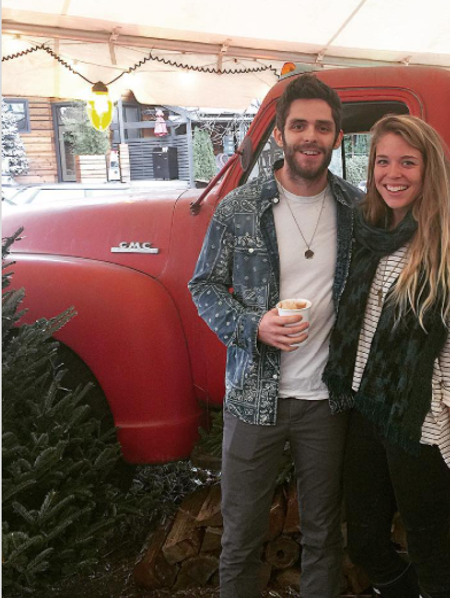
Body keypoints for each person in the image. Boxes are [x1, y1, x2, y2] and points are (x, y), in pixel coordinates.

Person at [189, 73, 361, 598]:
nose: (311, 136)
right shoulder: (241, 207)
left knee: (324, 538)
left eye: (323, 127)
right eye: (300, 125)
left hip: (326, 402)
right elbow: (204, 286)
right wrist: (252, 326)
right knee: (240, 538)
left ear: (337, 137)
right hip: (252, 401)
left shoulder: (356, 210)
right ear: (281, 134)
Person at [323, 114, 450, 598]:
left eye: (407, 162)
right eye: (383, 161)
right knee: (364, 545)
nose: (392, 173)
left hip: (418, 426)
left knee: (431, 558)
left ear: (429, 170)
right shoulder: (367, 235)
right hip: (365, 412)